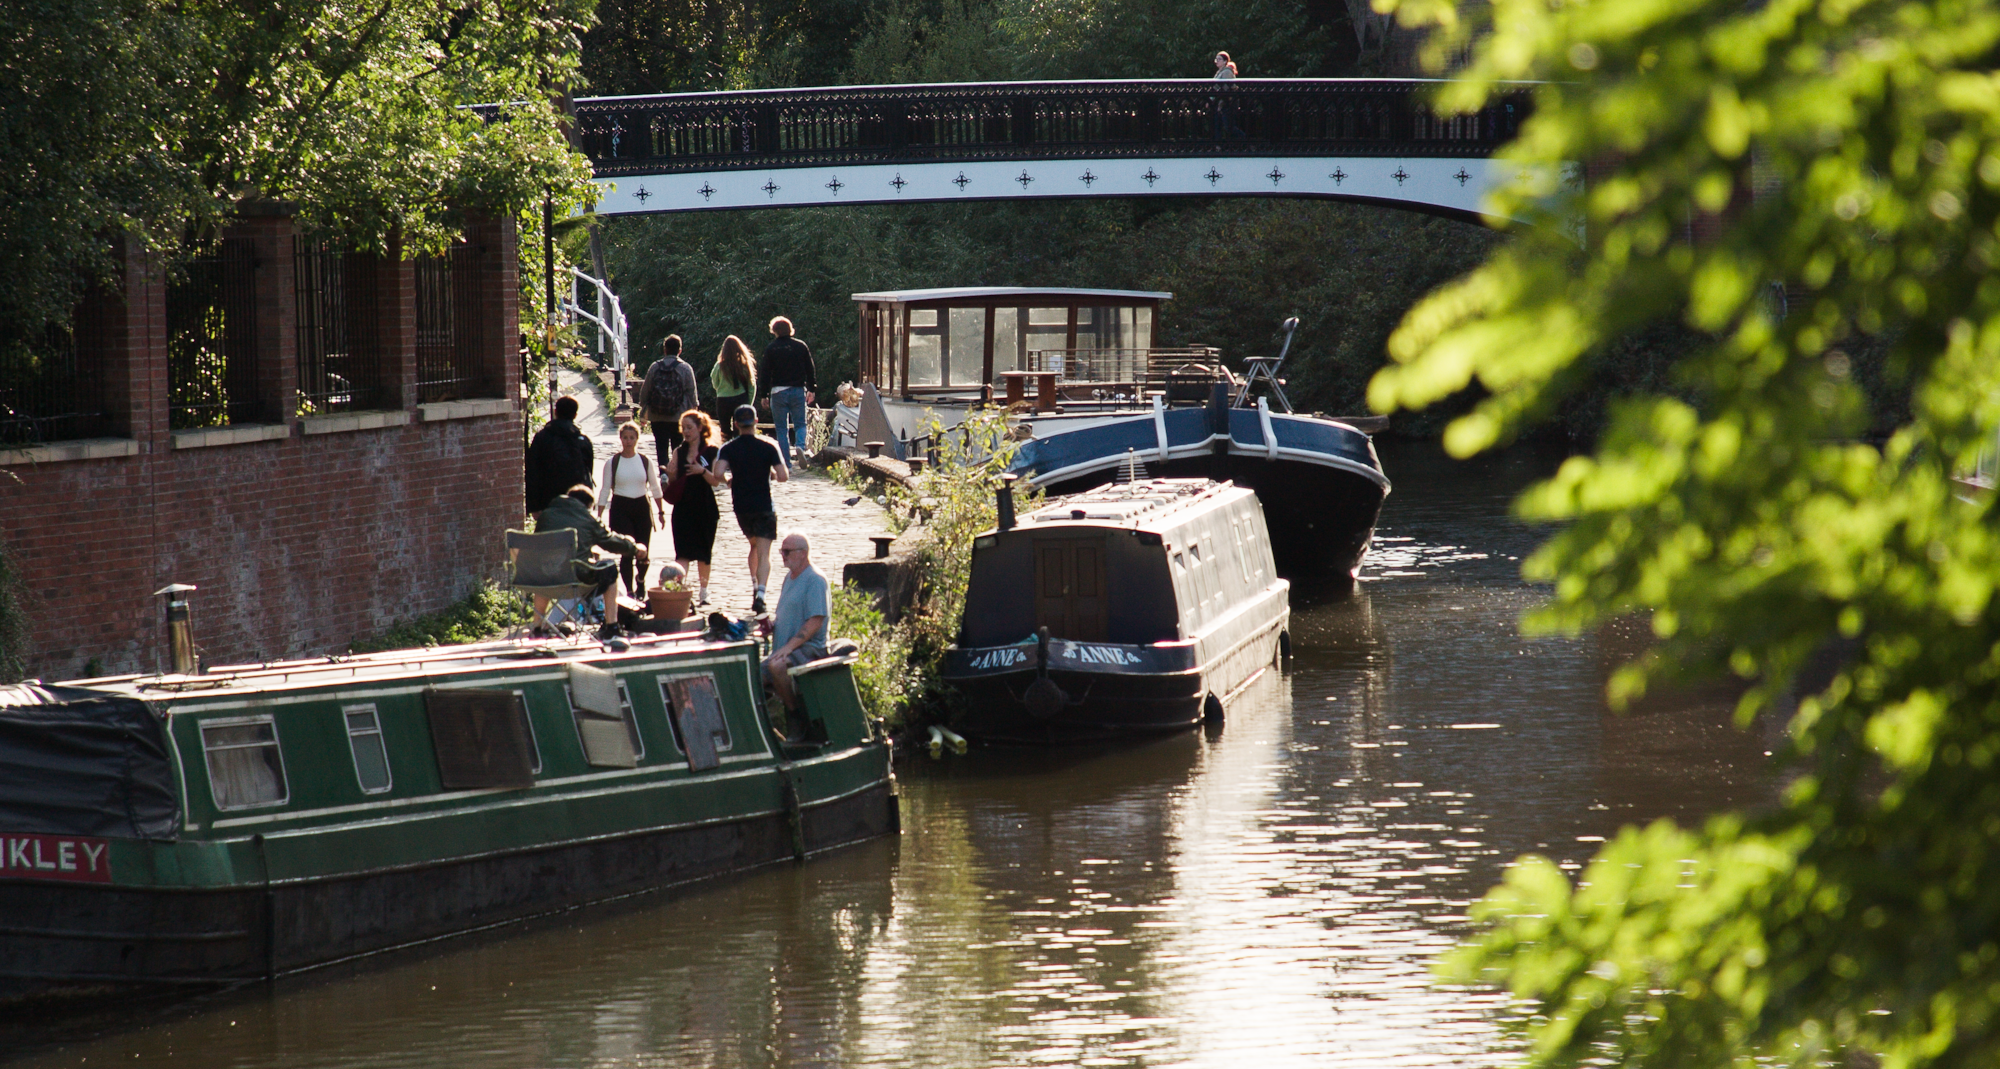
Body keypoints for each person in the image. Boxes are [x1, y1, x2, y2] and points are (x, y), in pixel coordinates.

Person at [533, 485, 643, 640]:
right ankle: (611, 626)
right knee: (610, 568)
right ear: (587, 506)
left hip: (540, 578)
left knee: (548, 570)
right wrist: (633, 548)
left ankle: (537, 628)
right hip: (574, 578)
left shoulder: (546, 516)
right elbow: (609, 541)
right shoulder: (586, 518)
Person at [712, 403, 789, 614]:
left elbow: (717, 473)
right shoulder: (768, 446)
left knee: (753, 546)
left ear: (736, 424)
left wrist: (730, 479)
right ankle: (762, 595)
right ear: (755, 422)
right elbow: (783, 476)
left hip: (742, 507)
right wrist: (770, 474)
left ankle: (754, 586)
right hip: (764, 505)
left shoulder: (728, 448)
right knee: (765, 553)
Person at [763, 532, 830, 735]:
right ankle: (767, 731)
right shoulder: (789, 578)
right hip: (787, 647)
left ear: (803, 553)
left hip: (809, 649)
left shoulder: (815, 580)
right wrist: (772, 625)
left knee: (776, 665)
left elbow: (815, 621)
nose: (782, 555)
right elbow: (790, 613)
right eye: (782, 551)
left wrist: (787, 648)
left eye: (787, 551)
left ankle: (795, 714)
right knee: (752, 674)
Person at [596, 421, 665, 598]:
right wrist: (599, 513)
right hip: (620, 508)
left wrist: (661, 511)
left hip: (642, 506)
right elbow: (604, 489)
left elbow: (655, 487)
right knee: (627, 551)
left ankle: (641, 581)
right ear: (620, 439)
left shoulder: (644, 461)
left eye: (632, 438)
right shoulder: (613, 462)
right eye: (625, 438)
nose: (628, 441)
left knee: (643, 552)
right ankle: (629, 591)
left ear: (637, 439)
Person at [669, 408, 724, 605]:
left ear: (700, 428)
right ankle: (677, 588)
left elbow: (716, 481)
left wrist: (702, 471)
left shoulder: (712, 452)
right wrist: (670, 473)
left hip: (705, 507)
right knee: (682, 552)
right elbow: (672, 479)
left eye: (690, 427)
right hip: (683, 508)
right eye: (683, 428)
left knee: (703, 552)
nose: (686, 431)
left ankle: (703, 591)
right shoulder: (679, 451)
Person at [758, 316, 816, 466]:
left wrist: (763, 394)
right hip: (797, 390)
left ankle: (786, 464)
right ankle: (800, 447)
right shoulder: (801, 346)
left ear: (774, 331)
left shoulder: (771, 348)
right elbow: (810, 369)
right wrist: (812, 388)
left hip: (778, 392)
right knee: (801, 424)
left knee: (781, 429)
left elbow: (765, 373)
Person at [636, 334, 698, 468]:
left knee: (661, 448)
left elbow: (645, 392)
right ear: (679, 350)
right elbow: (692, 394)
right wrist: (694, 413)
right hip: (679, 416)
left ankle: (664, 474)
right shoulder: (685, 368)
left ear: (664, 350)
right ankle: (677, 475)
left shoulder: (654, 367)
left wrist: (644, 410)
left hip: (657, 416)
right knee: (679, 447)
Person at [525, 395, 593, 516]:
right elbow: (588, 472)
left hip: (548, 501)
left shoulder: (542, 437)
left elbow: (532, 472)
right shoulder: (582, 440)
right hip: (577, 502)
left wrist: (534, 507)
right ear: (575, 415)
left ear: (555, 412)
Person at [711, 335, 756, 437]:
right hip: (740, 399)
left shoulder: (719, 366)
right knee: (739, 429)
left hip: (723, 400)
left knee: (724, 429)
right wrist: (749, 404)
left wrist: (721, 389)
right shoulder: (744, 366)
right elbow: (751, 386)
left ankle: (725, 450)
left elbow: (714, 383)